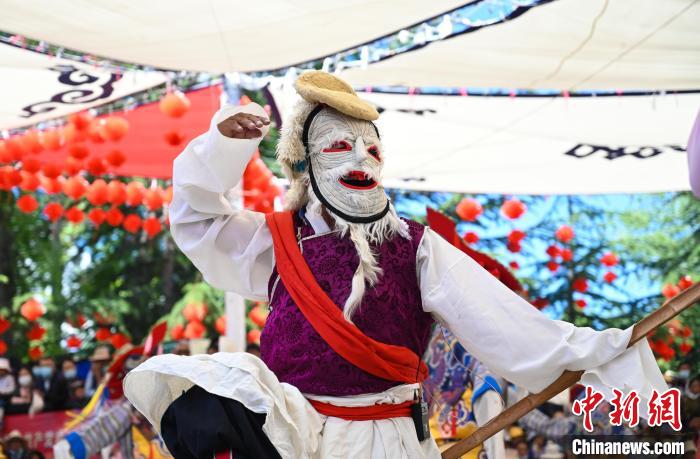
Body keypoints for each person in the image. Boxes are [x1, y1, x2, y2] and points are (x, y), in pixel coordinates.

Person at [125, 71, 666, 459]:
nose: (360, 160)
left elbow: (505, 323)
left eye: (372, 150)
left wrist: (601, 349)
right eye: (339, 146)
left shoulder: (415, 246)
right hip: (298, 442)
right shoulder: (277, 241)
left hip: (389, 443)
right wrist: (222, 145)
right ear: (304, 164)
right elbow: (198, 221)